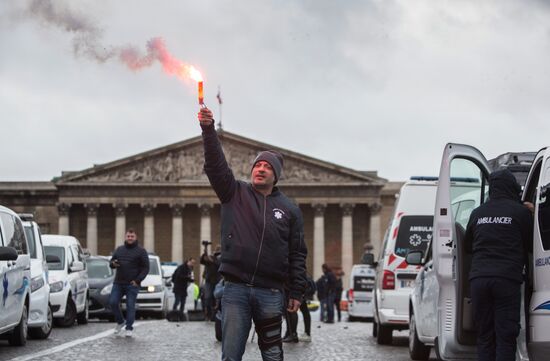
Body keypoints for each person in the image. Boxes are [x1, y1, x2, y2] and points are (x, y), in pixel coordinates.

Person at [198, 107, 307, 361]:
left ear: (276, 175)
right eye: (257, 165)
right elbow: (215, 166)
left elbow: (297, 253)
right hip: (236, 289)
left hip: (270, 292)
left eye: (267, 167)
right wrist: (208, 129)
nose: (260, 169)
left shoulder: (289, 209)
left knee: (272, 354)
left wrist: (296, 292)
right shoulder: (234, 194)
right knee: (231, 354)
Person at [464, 169, 533, 361]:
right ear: (512, 187)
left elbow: (467, 246)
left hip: (479, 280)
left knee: (485, 336)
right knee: (506, 336)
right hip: (506, 279)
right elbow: (531, 244)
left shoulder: (478, 213)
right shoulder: (520, 212)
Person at [109, 229, 150, 338]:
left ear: (136, 237)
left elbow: (146, 268)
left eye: (132, 236)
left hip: (132, 284)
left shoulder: (141, 251)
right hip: (118, 282)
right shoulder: (119, 249)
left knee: (130, 305)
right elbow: (112, 262)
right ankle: (120, 321)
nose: (130, 238)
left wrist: (138, 280)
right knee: (113, 302)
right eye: (128, 236)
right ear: (125, 237)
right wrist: (113, 263)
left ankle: (129, 327)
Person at [283, 274, 314, 343]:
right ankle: (291, 333)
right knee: (299, 310)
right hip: (298, 286)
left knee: (292, 310)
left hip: (296, 287)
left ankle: (293, 333)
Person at [201, 244, 222, 320]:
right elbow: (205, 259)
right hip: (209, 281)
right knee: (207, 298)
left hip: (218, 281)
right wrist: (205, 250)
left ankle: (215, 315)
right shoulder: (212, 257)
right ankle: (208, 314)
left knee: (216, 298)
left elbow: (213, 261)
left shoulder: (220, 259)